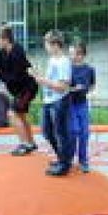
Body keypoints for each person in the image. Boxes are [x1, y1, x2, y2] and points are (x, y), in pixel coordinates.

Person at [30, 30, 74, 177]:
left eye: (47, 44)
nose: (45, 47)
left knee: (60, 133)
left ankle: (64, 164)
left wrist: (42, 80)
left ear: (55, 44)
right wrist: (37, 75)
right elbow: (51, 80)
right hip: (49, 101)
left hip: (59, 101)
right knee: (47, 131)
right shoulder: (52, 60)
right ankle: (63, 159)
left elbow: (62, 87)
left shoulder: (64, 62)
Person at [0, 25, 39, 156]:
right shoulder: (3, 52)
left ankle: (24, 144)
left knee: (12, 113)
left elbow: (14, 78)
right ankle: (31, 143)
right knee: (21, 115)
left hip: (27, 88)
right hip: (18, 90)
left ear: (6, 39)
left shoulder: (17, 52)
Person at [68, 41, 97, 173]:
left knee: (85, 133)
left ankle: (83, 161)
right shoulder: (68, 68)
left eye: (74, 53)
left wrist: (86, 90)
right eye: (71, 53)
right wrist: (74, 88)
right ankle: (68, 158)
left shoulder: (90, 70)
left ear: (82, 55)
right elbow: (62, 86)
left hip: (82, 104)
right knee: (74, 131)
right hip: (70, 104)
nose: (72, 55)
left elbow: (92, 85)